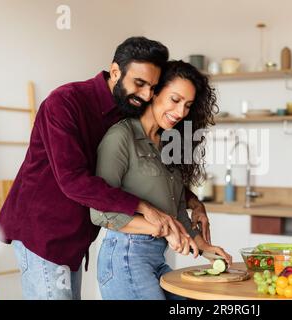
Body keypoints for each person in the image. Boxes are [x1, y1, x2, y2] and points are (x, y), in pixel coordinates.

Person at [0, 37, 211, 300]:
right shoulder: (64, 103)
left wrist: (193, 201)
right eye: (139, 83)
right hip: (42, 231)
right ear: (116, 71)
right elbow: (73, 180)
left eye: (151, 88)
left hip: (76, 238)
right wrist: (146, 209)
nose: (144, 95)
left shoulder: (127, 109)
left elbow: (151, 168)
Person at [90, 60, 232, 300]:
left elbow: (176, 209)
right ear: (154, 93)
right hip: (125, 257)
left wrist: (203, 246)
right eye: (175, 100)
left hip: (156, 258)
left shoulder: (169, 142)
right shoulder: (121, 137)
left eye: (187, 105)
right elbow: (100, 213)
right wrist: (163, 228)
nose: (180, 113)